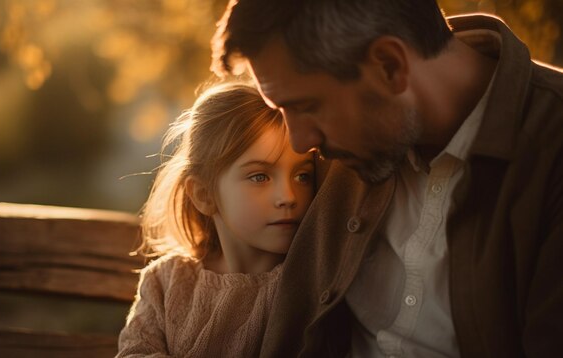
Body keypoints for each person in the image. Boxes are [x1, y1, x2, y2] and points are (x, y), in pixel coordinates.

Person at [210, 0, 563, 357]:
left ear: (390, 65)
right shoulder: (347, 137)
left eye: (306, 107)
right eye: (281, 110)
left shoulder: (550, 153)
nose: (300, 143)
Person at [116, 82, 316, 357]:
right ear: (204, 194)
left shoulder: (309, 287)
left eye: (302, 175)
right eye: (260, 176)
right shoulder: (165, 283)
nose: (288, 196)